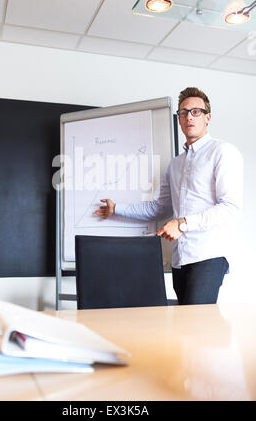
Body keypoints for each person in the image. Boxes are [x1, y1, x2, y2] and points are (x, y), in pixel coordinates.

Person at [95, 87, 243, 305]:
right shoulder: (175, 164)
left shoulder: (222, 152)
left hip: (208, 256)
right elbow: (158, 208)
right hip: (179, 261)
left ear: (207, 117)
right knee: (185, 329)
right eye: (183, 112)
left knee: (197, 326)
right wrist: (117, 208)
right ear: (179, 119)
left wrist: (182, 224)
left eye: (196, 112)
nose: (189, 117)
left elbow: (230, 207)